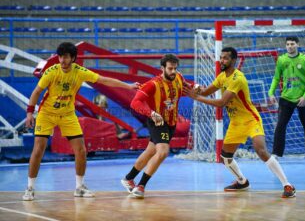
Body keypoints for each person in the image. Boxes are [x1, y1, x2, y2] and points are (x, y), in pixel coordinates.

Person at [23, 42, 140, 201]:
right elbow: (37, 92)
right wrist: (30, 113)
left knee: (81, 150)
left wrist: (129, 86)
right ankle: (30, 188)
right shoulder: (51, 72)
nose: (62, 60)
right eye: (60, 57)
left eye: (65, 57)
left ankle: (79, 187)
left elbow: (104, 80)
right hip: (47, 114)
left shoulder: (80, 72)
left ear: (73, 58)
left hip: (67, 114)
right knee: (38, 149)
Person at [185, 47, 296, 198]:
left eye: (225, 58)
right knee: (225, 157)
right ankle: (242, 181)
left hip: (251, 120)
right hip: (236, 123)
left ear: (233, 60)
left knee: (261, 150)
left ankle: (287, 185)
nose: (221, 60)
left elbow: (221, 103)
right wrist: (196, 89)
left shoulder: (238, 78)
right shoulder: (222, 76)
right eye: (221, 57)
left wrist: (196, 98)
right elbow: (206, 92)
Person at [121, 54, 188, 198]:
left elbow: (185, 87)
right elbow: (135, 103)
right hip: (157, 121)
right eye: (170, 68)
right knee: (163, 152)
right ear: (162, 68)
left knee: (150, 151)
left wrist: (196, 87)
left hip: (172, 122)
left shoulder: (178, 77)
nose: (173, 71)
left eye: (175, 68)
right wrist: (151, 114)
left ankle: (128, 178)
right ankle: (141, 186)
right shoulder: (153, 84)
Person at [268, 37, 305, 164]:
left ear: (298, 44)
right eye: (287, 44)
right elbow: (276, 78)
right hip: (286, 98)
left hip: (302, 99)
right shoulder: (281, 60)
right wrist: (270, 92)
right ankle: (276, 154)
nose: (290, 46)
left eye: (292, 44)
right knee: (280, 127)